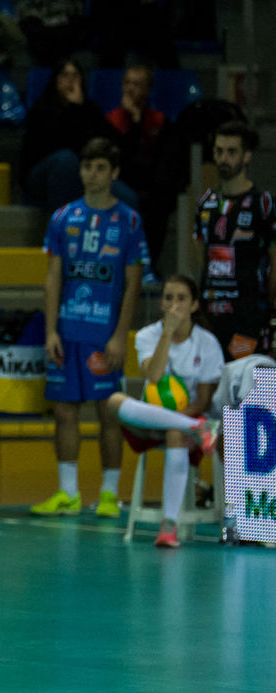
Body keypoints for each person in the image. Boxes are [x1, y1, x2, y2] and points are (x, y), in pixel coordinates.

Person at [31, 137, 148, 519]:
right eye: (87, 167)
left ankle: (110, 495)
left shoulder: (129, 220)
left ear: (114, 173)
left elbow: (133, 284)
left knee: (109, 413)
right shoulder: (63, 217)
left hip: (104, 335)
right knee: (64, 412)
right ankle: (68, 494)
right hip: (67, 332)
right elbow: (53, 277)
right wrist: (51, 331)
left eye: (100, 168)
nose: (91, 175)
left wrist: (120, 336)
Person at [105, 273, 221, 547]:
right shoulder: (147, 335)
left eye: (181, 298)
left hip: (189, 420)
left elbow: (204, 401)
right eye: (168, 298)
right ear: (161, 304)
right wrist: (167, 333)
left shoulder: (207, 342)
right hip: (156, 420)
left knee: (174, 433)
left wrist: (180, 421)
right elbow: (155, 376)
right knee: (114, 401)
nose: (174, 305)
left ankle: (168, 526)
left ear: (194, 305)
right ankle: (196, 428)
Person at [192, 121, 276, 361]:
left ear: (246, 156)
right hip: (212, 315)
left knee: (260, 378)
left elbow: (274, 260)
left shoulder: (263, 203)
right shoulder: (205, 203)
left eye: (231, 152)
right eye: (219, 151)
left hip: (251, 315)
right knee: (215, 381)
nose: (223, 158)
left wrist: (270, 305)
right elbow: (200, 257)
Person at [20, 58, 128, 215]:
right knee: (66, 160)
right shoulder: (41, 110)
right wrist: (75, 110)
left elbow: (108, 143)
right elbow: (59, 144)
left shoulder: (90, 109)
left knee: (126, 196)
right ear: (55, 80)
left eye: (75, 75)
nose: (70, 80)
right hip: (42, 175)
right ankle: (64, 226)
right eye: (65, 75)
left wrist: (79, 109)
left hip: (85, 173)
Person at [106, 61, 175, 259]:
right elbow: (122, 160)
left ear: (148, 90)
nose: (130, 89)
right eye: (127, 83)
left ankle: (148, 264)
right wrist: (135, 123)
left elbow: (163, 161)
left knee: (160, 201)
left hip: (150, 185)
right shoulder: (111, 121)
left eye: (137, 84)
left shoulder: (160, 122)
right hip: (121, 183)